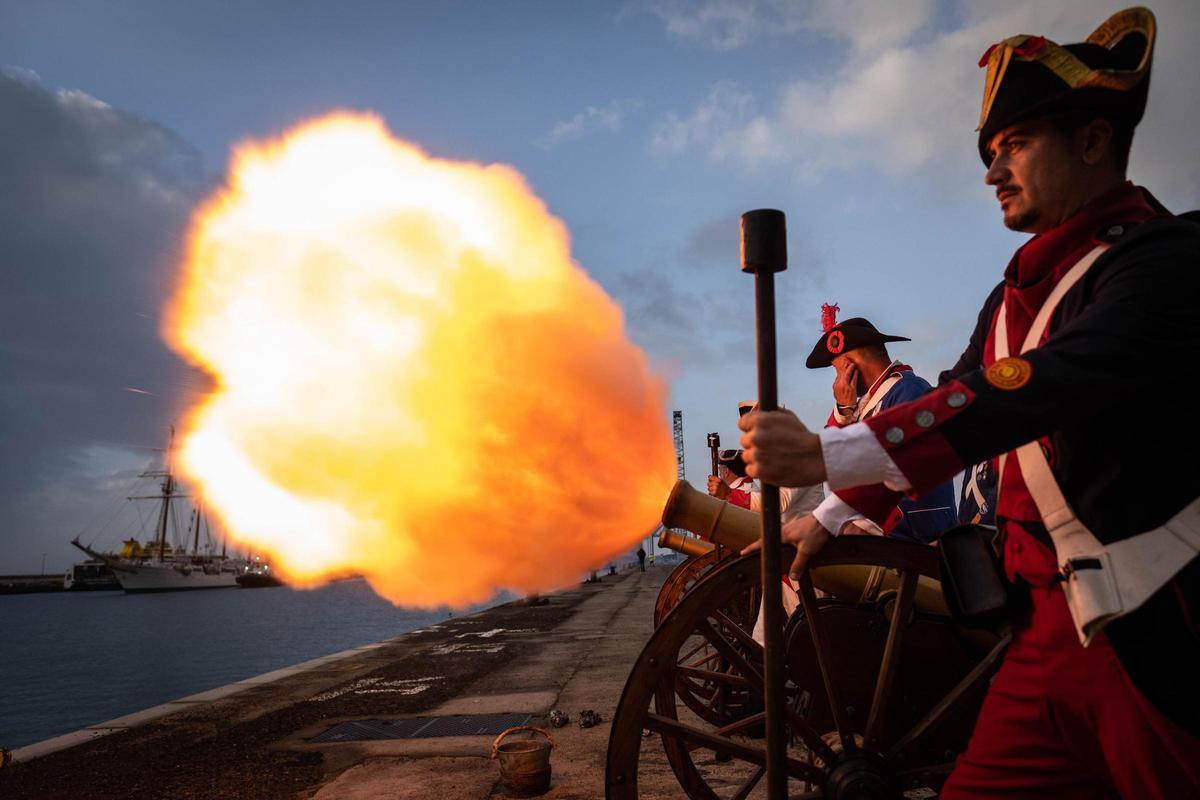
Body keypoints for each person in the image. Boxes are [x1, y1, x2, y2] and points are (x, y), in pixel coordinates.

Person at [740, 8, 1200, 796]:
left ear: (1093, 142)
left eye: (1015, 144)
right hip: (1038, 639)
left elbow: (1040, 388)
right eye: (992, 153)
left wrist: (822, 454)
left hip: (1153, 632)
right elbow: (957, 402)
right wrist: (827, 516)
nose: (993, 172)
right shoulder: (1012, 298)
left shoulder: (1166, 262)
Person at [808, 304, 957, 542]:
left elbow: (907, 466)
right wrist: (843, 412)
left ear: (848, 365)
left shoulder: (908, 389)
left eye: (837, 370)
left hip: (914, 538)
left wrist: (864, 524)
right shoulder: (864, 407)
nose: (837, 380)